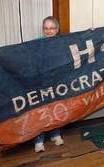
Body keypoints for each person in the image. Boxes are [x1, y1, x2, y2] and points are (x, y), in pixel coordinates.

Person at [34, 16, 64, 153]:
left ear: (57, 30)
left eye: (51, 28)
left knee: (56, 108)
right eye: (46, 28)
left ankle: (55, 134)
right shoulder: (35, 44)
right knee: (41, 110)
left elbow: (82, 42)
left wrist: (91, 32)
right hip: (40, 82)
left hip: (57, 81)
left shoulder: (64, 42)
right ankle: (39, 141)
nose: (49, 31)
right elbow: (15, 51)